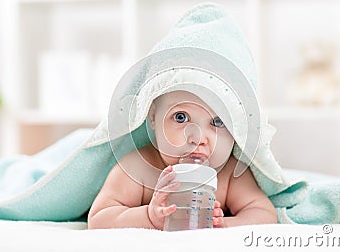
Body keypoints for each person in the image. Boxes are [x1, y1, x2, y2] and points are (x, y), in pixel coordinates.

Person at [88, 90, 277, 229]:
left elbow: (264, 213)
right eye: (181, 117)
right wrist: (148, 216)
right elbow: (99, 218)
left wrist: (224, 224)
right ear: (153, 117)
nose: (197, 138)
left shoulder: (231, 174)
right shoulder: (138, 168)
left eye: (218, 122)